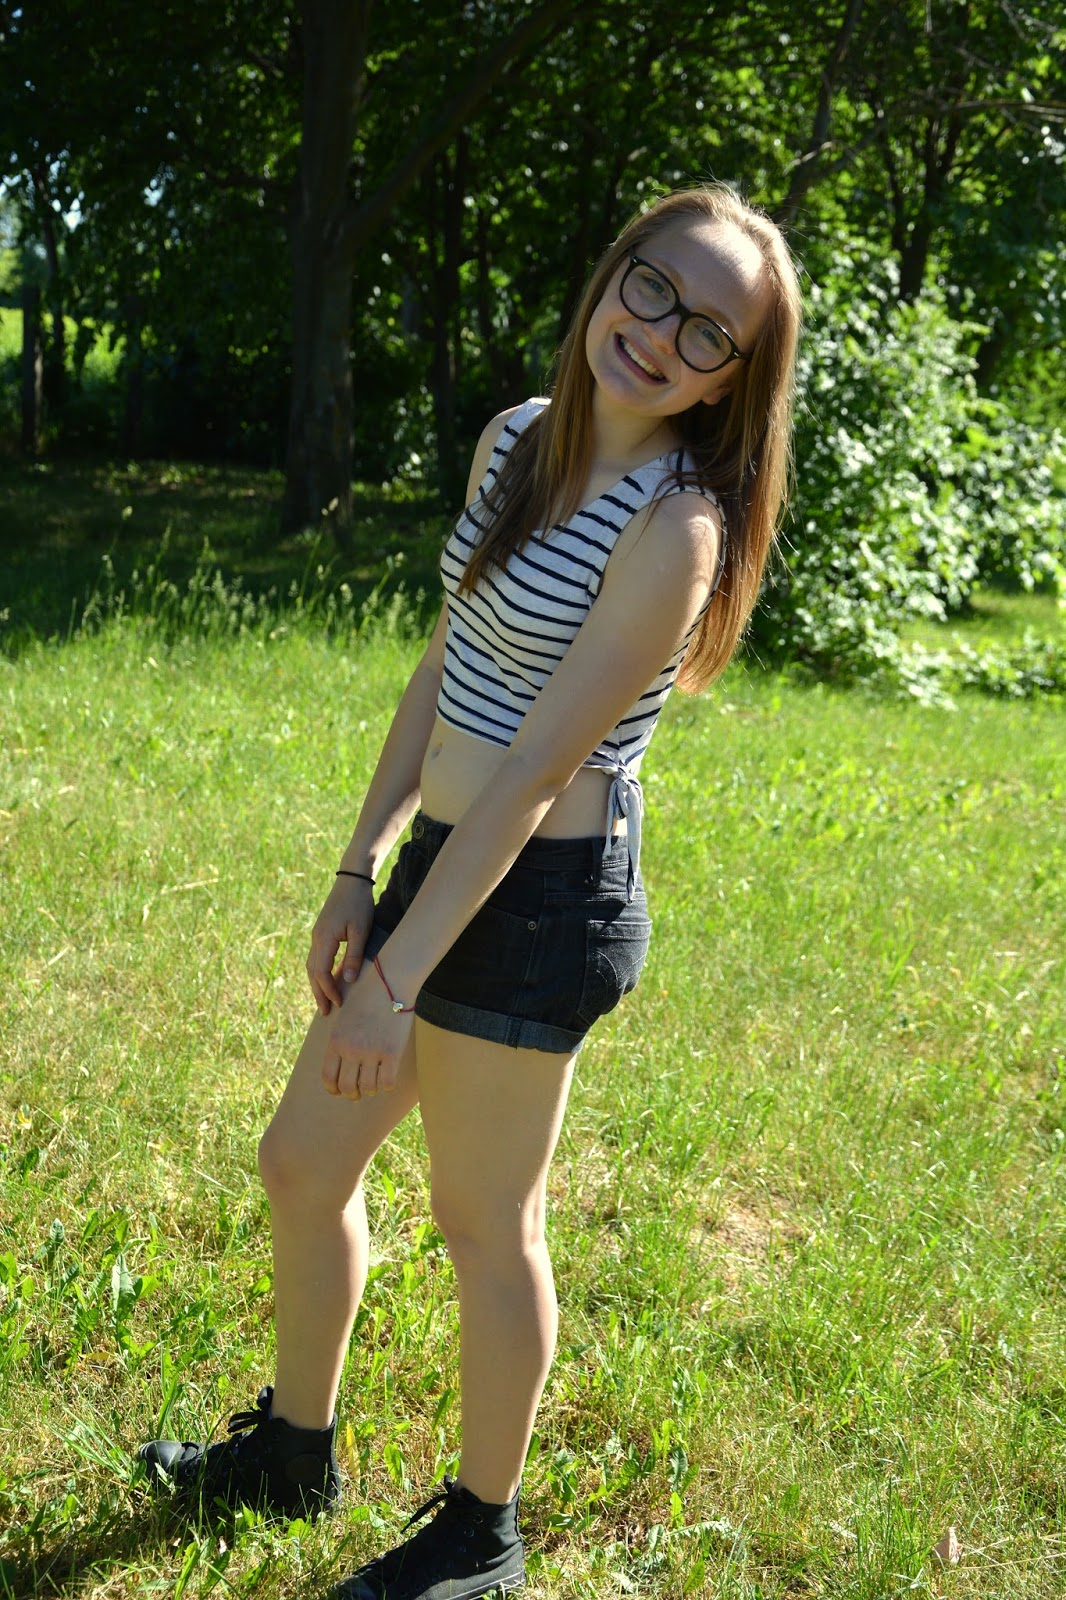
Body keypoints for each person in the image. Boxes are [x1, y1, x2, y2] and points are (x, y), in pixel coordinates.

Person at [139, 183, 801, 1600]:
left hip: (542, 896)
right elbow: (449, 667)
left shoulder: (676, 528)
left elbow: (533, 774)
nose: (660, 336)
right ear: (610, 274)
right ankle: (293, 1451)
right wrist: (359, 864)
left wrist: (394, 976)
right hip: (447, 862)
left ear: (731, 379)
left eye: (708, 333)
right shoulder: (518, 437)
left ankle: (478, 1535)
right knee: (302, 1163)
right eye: (651, 288)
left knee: (485, 1221)